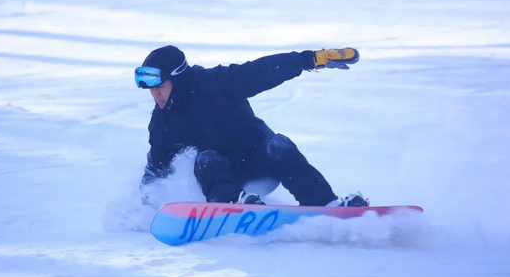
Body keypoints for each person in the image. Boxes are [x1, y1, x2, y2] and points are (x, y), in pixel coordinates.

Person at [135, 45, 368, 207]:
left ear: (178, 78)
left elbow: (261, 71)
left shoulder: (216, 83)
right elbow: (157, 166)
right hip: (223, 179)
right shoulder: (162, 122)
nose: (154, 93)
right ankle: (232, 205)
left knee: (279, 144)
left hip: (261, 164)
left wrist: (310, 59)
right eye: (150, 90)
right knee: (207, 158)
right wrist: (143, 204)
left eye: (159, 87)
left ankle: (327, 204)